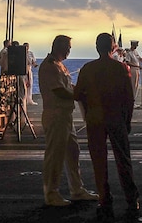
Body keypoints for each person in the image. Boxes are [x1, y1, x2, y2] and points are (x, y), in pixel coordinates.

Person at [74, 33, 139, 220]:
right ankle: (131, 197)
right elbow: (129, 98)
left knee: (98, 161)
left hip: (95, 119)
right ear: (113, 48)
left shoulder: (87, 69)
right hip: (116, 118)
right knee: (123, 159)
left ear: (96, 47)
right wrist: (128, 121)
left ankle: (104, 198)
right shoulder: (121, 68)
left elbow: (77, 94)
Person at [37, 35, 97, 206]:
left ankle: (77, 189)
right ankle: (51, 193)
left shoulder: (59, 66)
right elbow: (59, 91)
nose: (69, 51)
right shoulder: (50, 67)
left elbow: (68, 87)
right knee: (54, 156)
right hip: (55, 115)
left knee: (73, 152)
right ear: (58, 46)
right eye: (67, 47)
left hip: (65, 116)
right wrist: (80, 96)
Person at [124, 40, 142, 108]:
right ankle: (131, 102)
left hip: (137, 70)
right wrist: (137, 66)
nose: (136, 46)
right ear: (132, 45)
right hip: (133, 70)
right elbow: (127, 62)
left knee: (136, 87)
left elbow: (140, 60)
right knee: (133, 86)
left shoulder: (135, 52)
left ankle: (133, 101)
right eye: (135, 45)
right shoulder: (129, 53)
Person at [24, 42, 37, 106]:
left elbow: (33, 61)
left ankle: (29, 100)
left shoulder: (30, 53)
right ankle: (24, 99)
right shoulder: (21, 54)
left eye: (27, 46)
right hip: (23, 71)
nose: (27, 47)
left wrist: (35, 65)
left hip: (29, 69)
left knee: (30, 85)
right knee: (24, 85)